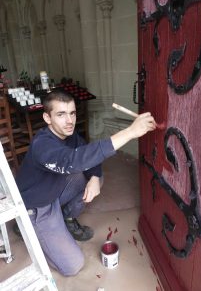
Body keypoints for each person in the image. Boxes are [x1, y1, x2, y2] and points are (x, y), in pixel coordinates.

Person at [15, 89, 156, 276]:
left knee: (93, 177)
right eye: (61, 114)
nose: (69, 121)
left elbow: (87, 155)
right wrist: (130, 132)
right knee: (73, 265)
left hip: (53, 190)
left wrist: (95, 178)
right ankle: (26, 225)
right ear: (47, 118)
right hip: (38, 206)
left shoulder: (70, 136)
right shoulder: (42, 145)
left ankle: (67, 217)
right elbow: (74, 160)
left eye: (72, 113)